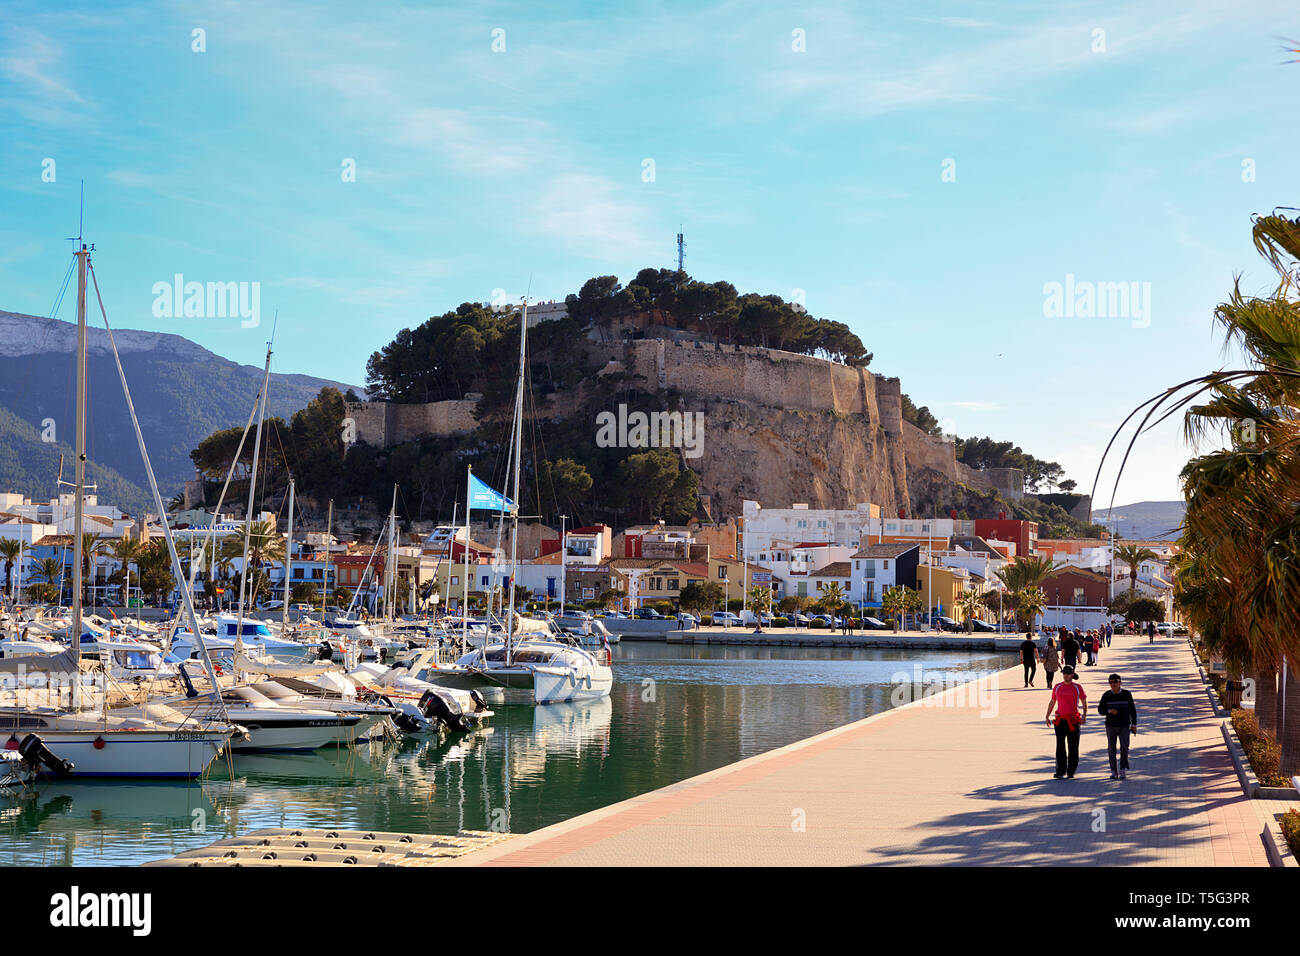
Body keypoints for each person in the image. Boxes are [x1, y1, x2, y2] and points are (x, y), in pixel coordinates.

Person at [1045, 665, 1087, 778]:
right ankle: (1060, 771)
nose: (1065, 675)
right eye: (1064, 673)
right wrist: (1047, 715)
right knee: (1060, 746)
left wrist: (1084, 715)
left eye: (1068, 673)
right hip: (1060, 720)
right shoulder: (1057, 687)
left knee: (1073, 747)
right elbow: (1052, 701)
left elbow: (1084, 701)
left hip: (1073, 721)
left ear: (1072, 675)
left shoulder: (1078, 687)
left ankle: (1071, 771)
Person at [1098, 674, 1138, 779]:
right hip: (1111, 726)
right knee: (1111, 749)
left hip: (1124, 725)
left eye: (1115, 682)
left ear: (1120, 682)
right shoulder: (1106, 695)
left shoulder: (1127, 694)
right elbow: (1100, 710)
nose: (1113, 684)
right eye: (1110, 682)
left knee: (1124, 747)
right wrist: (1109, 711)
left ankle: (1123, 769)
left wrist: (1134, 724)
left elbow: (1132, 710)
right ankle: (1113, 771)